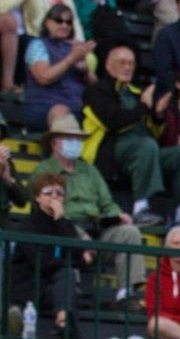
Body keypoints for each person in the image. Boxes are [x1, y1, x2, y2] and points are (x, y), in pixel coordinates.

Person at [29, 113, 146, 310]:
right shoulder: (43, 170)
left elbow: (107, 203)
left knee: (129, 233)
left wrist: (117, 215)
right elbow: (43, 210)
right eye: (70, 139)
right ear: (55, 142)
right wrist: (78, 234)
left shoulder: (89, 170)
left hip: (96, 229)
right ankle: (70, 292)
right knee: (70, 234)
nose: (75, 143)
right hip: (61, 230)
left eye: (78, 139)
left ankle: (126, 294)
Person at [82, 43, 180, 228]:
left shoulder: (136, 93)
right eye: (122, 62)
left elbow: (154, 131)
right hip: (110, 152)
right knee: (146, 145)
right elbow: (114, 122)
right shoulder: (97, 91)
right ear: (108, 65)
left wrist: (158, 115)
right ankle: (140, 209)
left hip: (145, 151)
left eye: (131, 63)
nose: (128, 67)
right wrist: (145, 107)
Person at [9, 172, 88, 339]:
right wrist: (67, 261)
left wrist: (60, 220)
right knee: (66, 271)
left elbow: (80, 258)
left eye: (59, 193)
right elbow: (42, 262)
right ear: (37, 197)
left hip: (53, 288)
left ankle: (62, 319)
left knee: (66, 274)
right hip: (28, 286)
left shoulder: (65, 225)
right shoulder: (27, 226)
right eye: (48, 192)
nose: (54, 197)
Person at [24, 3, 94, 131]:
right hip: (45, 108)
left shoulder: (76, 48)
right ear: (47, 22)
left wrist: (86, 72)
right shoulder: (38, 45)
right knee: (61, 111)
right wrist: (70, 60)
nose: (64, 25)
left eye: (68, 22)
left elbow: (95, 86)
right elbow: (44, 77)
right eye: (59, 21)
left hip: (78, 109)